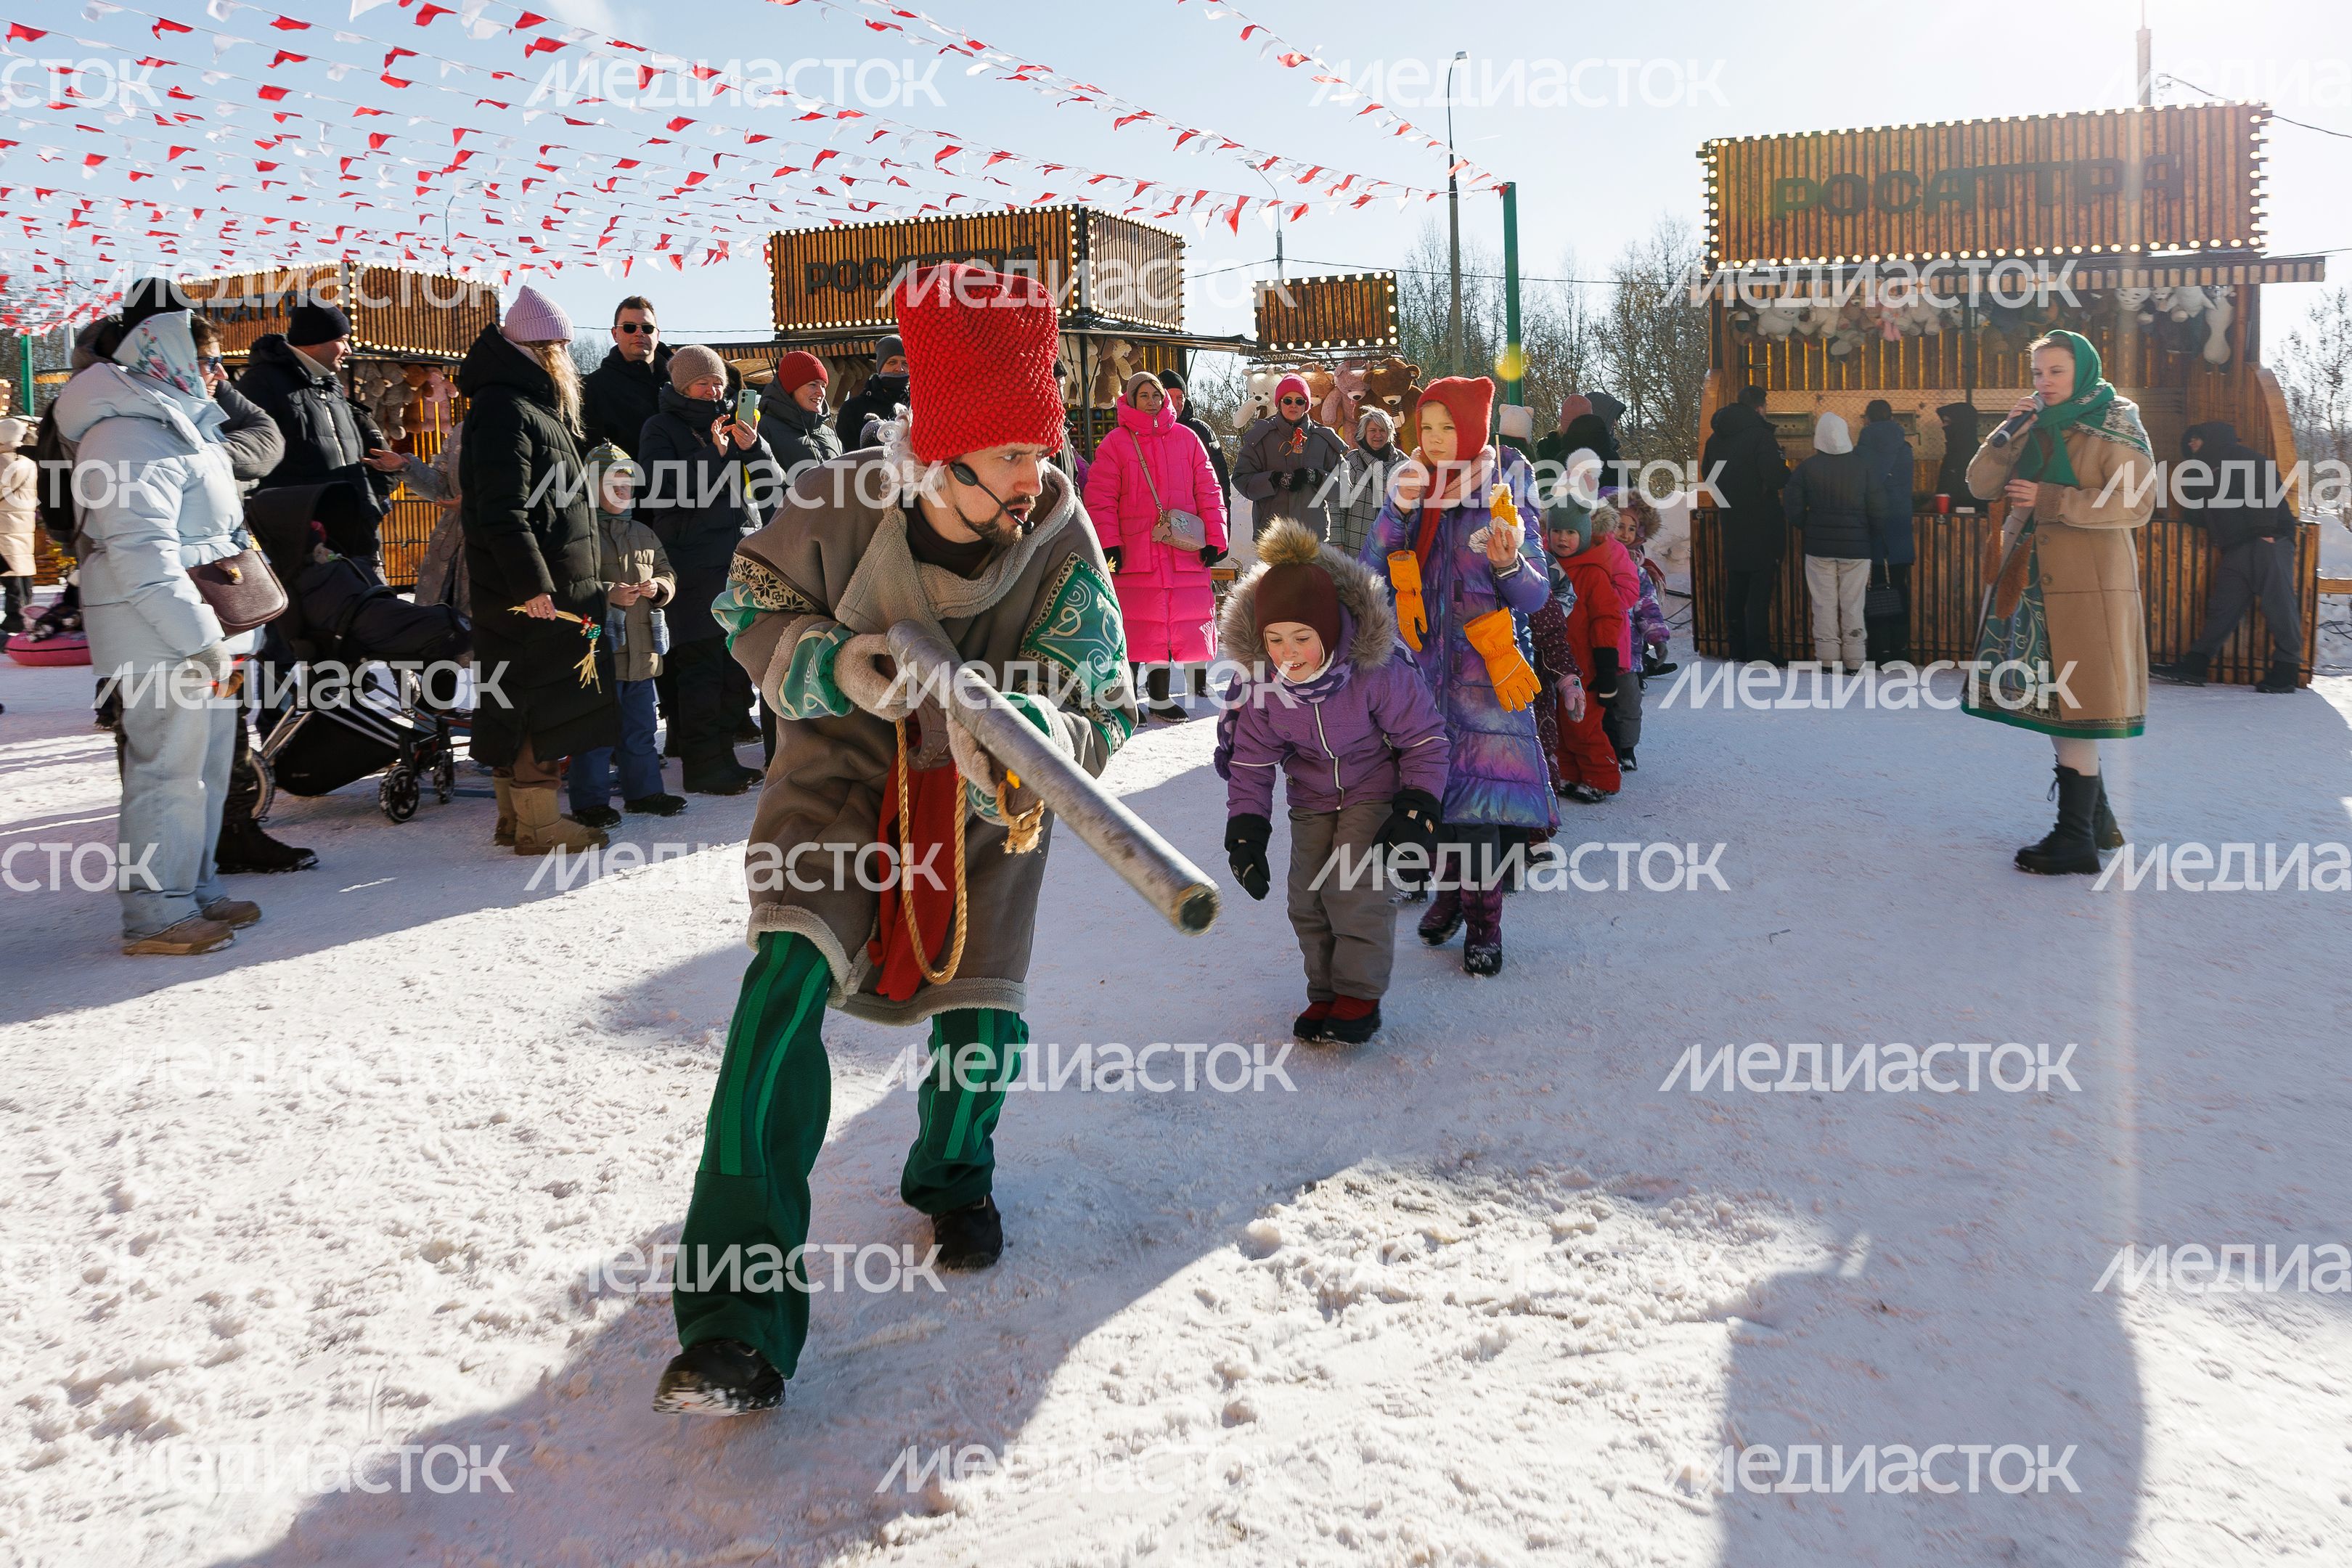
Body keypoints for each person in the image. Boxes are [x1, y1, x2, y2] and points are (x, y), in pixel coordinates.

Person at [651, 262, 1137, 1416]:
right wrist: (833, 665)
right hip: (840, 772)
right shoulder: (842, 498)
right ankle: (735, 1322)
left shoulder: (1059, 534)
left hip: (985, 793)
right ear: (942, 453)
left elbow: (1105, 702)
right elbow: (743, 605)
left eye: (1040, 449)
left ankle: (954, 1173)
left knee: (980, 1015)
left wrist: (1037, 731)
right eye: (1008, 455)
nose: (1033, 476)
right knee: (780, 991)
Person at [56, 307, 262, 954]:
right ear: (166, 360)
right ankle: (156, 912)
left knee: (205, 769)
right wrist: (199, 637)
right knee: (166, 773)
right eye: (208, 361)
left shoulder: (180, 424)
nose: (220, 373)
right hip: (160, 635)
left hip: (203, 630)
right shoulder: (126, 435)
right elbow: (141, 553)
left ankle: (193, 889)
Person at [1217, 518, 1448, 1045]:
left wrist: (1418, 807)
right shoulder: (1265, 687)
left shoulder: (1376, 671)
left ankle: (1358, 994)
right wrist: (1247, 828)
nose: (1288, 652)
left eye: (1302, 638)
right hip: (1312, 797)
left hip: (1373, 789)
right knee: (1306, 898)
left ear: (1329, 631)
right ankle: (1325, 991)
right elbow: (1251, 762)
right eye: (1275, 639)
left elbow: (1425, 740)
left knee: (1353, 887)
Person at [1360, 375, 1555, 976]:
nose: (1437, 438)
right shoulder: (1411, 485)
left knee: (1480, 809)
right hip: (1420, 673)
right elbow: (1371, 574)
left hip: (1484, 681)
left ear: (1473, 429)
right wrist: (1397, 509)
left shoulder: (1501, 490)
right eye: (1428, 426)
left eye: (1450, 426)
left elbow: (1536, 594)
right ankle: (1450, 896)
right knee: (1436, 798)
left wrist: (1509, 562)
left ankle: (1485, 925)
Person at [1966, 330, 2150, 874]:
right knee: (2056, 701)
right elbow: (1980, 485)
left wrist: (2053, 498)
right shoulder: (2033, 424)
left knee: (2076, 705)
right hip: (2031, 581)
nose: (2044, 382)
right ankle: (2095, 821)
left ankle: (2074, 840)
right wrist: (2005, 435)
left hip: (2088, 583)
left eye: (2056, 372)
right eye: (2038, 372)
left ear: (2082, 371)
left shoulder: (2117, 421)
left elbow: (2138, 503)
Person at [456, 285, 618, 857]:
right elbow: (502, 510)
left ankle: (515, 818)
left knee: (517, 698)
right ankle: (540, 825)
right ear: (544, 350)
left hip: (532, 585)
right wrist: (532, 586)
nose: (569, 359)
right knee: (540, 702)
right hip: (536, 590)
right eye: (563, 348)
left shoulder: (520, 405)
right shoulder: (508, 408)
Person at [636, 343, 782, 795]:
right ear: (682, 386)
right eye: (704, 382)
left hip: (738, 560)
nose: (714, 390)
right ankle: (702, 765)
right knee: (700, 667)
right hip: (692, 562)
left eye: (718, 382)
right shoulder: (660, 427)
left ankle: (725, 758)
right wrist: (713, 455)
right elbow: (658, 487)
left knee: (731, 666)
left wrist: (755, 448)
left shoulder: (735, 424)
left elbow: (773, 487)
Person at [1083, 370, 1228, 721]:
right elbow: (1100, 499)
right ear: (1131, 400)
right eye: (1144, 395)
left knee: (1168, 628)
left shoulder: (1187, 438)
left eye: (1157, 395)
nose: (1152, 401)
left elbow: (1209, 490)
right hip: (1134, 551)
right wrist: (1109, 544)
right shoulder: (1116, 442)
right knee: (1133, 626)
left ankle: (1161, 698)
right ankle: (1127, 699)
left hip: (1181, 549)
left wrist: (1215, 537)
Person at [236, 299, 404, 575]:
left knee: (371, 600)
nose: (349, 350)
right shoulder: (262, 383)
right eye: (342, 340)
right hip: (307, 544)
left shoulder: (330, 385)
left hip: (359, 536)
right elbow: (250, 461)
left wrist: (370, 506)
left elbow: (359, 454)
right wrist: (295, 524)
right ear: (315, 340)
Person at [567, 442, 684, 828]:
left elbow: (667, 571)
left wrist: (660, 588)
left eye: (628, 484)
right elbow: (569, 586)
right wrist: (607, 594)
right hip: (599, 654)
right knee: (596, 733)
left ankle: (644, 792)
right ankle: (589, 802)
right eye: (614, 484)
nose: (623, 491)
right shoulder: (579, 533)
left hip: (642, 651)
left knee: (641, 729)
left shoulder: (644, 533)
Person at [2151, 420, 2300, 693]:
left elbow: (2264, 486)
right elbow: (2201, 511)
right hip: (2235, 547)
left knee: (2278, 603)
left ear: (2213, 438)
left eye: (2197, 438)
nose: (2191, 443)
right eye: (2189, 440)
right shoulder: (2202, 470)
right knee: (2223, 608)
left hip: (2267, 540)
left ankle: (2287, 670)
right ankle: (2196, 665)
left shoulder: (2242, 456)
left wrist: (2266, 531)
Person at [1783, 412, 1894, 670]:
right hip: (1857, 549)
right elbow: (1879, 508)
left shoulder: (1807, 468)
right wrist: (1867, 533)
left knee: (1824, 604)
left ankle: (1828, 659)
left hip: (1819, 548)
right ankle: (1855, 659)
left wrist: (1808, 526)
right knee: (1853, 604)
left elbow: (1792, 505)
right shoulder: (1863, 467)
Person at [1533, 498, 1627, 803]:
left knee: (1582, 724)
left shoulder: (1593, 573)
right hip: (1553, 661)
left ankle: (1602, 776)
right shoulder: (1544, 567)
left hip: (1586, 665)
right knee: (1557, 721)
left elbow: (1607, 618)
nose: (1562, 538)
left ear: (1584, 535)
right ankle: (1570, 773)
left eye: (1571, 532)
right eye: (1557, 531)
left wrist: (1607, 665)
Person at [1701, 386, 1788, 664]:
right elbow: (1775, 477)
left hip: (1731, 518)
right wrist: (1785, 467)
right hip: (1761, 519)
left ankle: (1736, 647)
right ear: (1760, 407)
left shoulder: (1716, 438)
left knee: (1737, 584)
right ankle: (1758, 650)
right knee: (1760, 588)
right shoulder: (1761, 436)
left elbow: (1708, 475)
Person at [1234, 374, 1347, 536]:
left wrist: (1317, 477)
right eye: (1288, 400)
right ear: (1279, 403)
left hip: (1312, 535)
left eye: (1299, 401)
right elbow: (1241, 479)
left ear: (1306, 405)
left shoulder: (1323, 439)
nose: (1293, 405)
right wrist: (1273, 479)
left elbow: (1343, 488)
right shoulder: (1261, 437)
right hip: (1273, 535)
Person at [1855, 399, 1916, 664]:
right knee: (1899, 587)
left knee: (1873, 588)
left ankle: (1879, 652)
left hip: (1871, 527)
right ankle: (1900, 651)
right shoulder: (1905, 449)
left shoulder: (1860, 452)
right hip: (1900, 527)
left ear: (1867, 419)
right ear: (1892, 418)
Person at [1591, 491, 1645, 771]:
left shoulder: (1624, 558)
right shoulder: (1579, 546)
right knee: (1599, 701)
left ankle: (1627, 749)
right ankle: (1605, 750)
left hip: (1623, 646)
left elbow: (1642, 601)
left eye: (1631, 528)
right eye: (1620, 526)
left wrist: (1657, 636)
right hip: (1591, 641)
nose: (1625, 533)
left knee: (1627, 700)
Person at [581, 295, 672, 460]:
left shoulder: (682, 384)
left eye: (647, 328)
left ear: (657, 335)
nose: (639, 333)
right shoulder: (591, 389)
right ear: (615, 334)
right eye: (629, 328)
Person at [1324, 407, 1405, 560]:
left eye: (1382, 430)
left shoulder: (1403, 463)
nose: (1378, 435)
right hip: (1355, 548)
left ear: (1389, 433)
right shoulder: (1351, 461)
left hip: (1392, 549)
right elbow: (1335, 505)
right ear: (1364, 433)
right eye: (1372, 430)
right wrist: (1336, 543)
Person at [757, 351, 844, 479]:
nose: (821, 393)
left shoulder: (830, 433)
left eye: (823, 386)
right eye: (813, 385)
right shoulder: (765, 429)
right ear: (791, 389)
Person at [1157, 367, 1231, 511]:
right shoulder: (1146, 432)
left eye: (1180, 397)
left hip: (1194, 515)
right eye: (1170, 397)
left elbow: (1219, 481)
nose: (1176, 403)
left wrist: (1223, 518)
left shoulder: (1201, 431)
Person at [832, 333, 908, 452]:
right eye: (892, 362)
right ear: (880, 366)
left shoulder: (920, 406)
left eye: (905, 363)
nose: (900, 369)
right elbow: (846, 457)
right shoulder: (853, 409)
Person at [0, 416, 33, 634]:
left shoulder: (3, 461)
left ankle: (16, 617)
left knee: (11, 572)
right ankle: (25, 614)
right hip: (22, 524)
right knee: (20, 570)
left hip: (4, 525)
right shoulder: (29, 462)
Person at [1932, 401, 1981, 507]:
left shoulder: (1973, 455)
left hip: (1969, 512)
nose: (1943, 427)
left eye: (1947, 422)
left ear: (1960, 424)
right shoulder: (1952, 453)